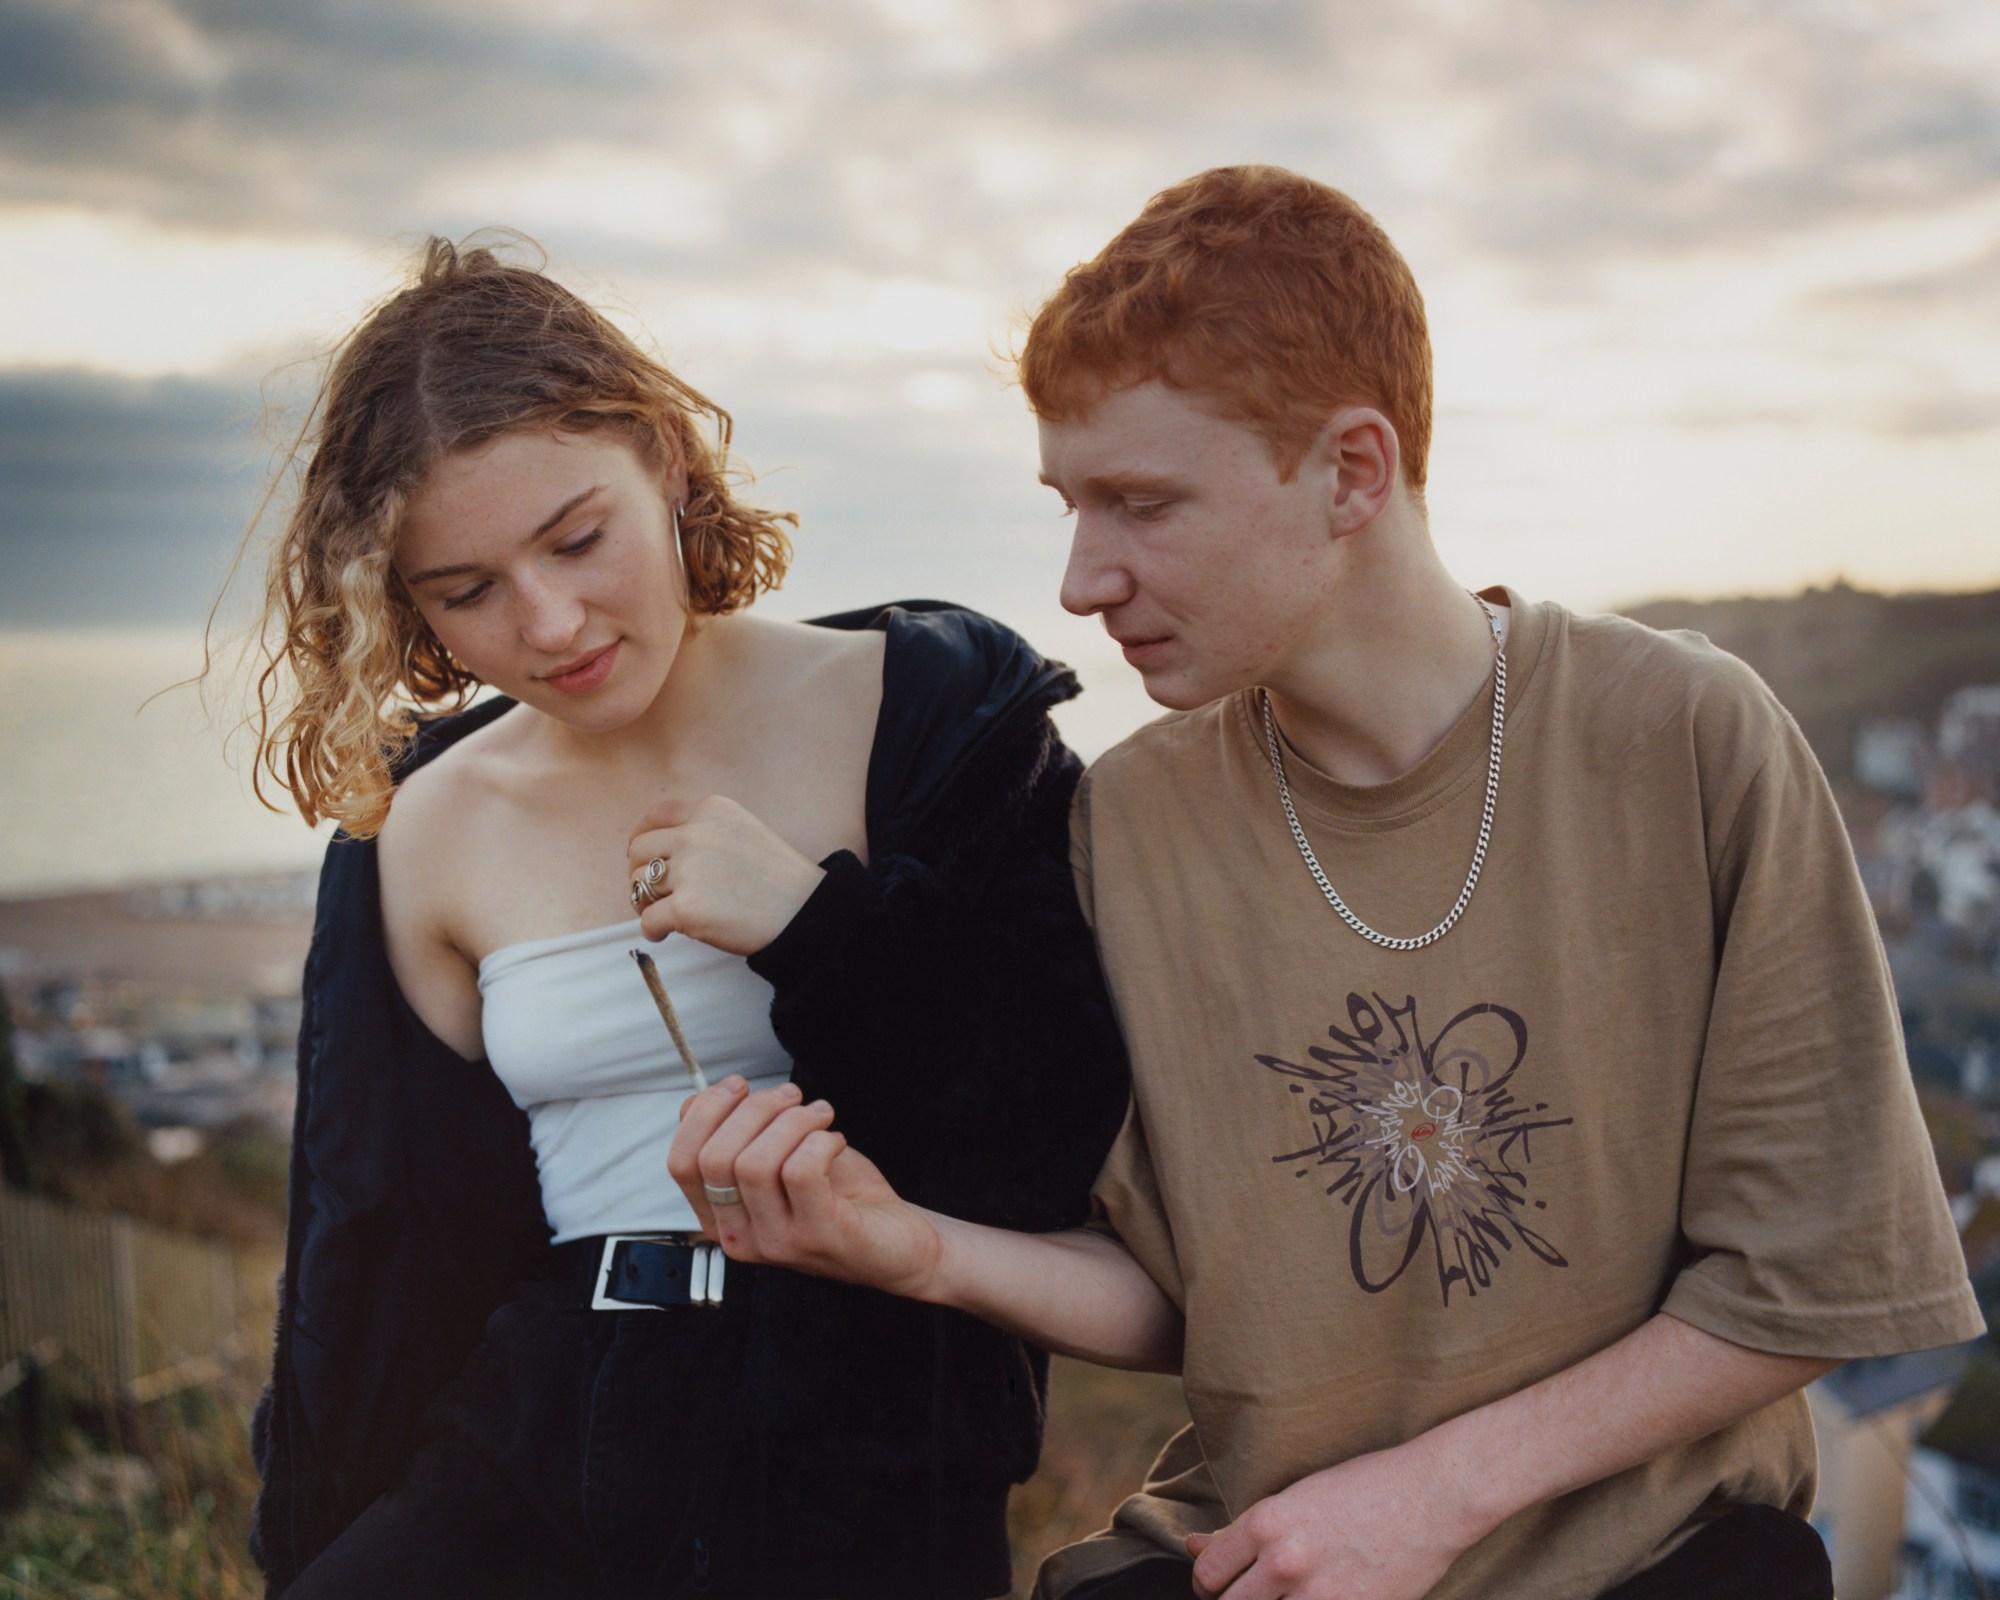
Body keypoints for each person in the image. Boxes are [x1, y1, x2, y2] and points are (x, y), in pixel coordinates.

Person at [666, 165, 1986, 1600]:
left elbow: (1816, 1280)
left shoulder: (1679, 732)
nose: (1079, 579)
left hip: (1659, 1569)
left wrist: (1429, 1498)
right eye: (1068, 504)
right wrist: (909, 1248)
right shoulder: (1124, 819)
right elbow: (1196, 1295)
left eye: (1140, 504)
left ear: (1353, 471)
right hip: (1254, 1565)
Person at [242, 236, 1129, 1599]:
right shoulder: (415, 828)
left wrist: (815, 931)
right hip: (535, 1432)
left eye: (576, 538)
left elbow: (1042, 1136)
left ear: (665, 453)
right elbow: (375, 1267)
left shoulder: (931, 709)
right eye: (465, 591)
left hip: (865, 1431)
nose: (549, 624)